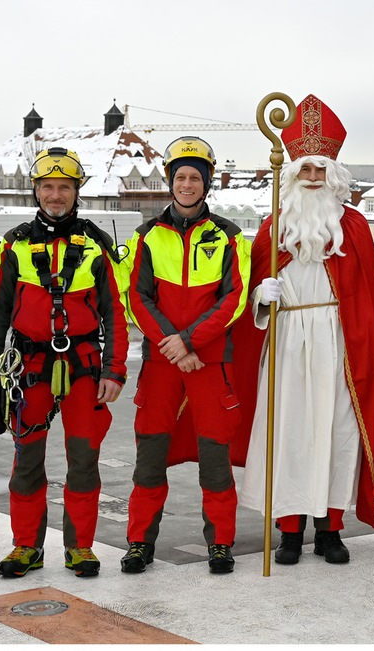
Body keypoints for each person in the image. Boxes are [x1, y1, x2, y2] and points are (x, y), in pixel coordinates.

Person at [233, 95, 374, 565]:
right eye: (306, 170)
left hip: (337, 341)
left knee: (336, 432)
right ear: (293, 174)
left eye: (321, 170)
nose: (314, 178)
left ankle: (331, 528)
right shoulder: (271, 228)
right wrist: (262, 296)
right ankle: (289, 530)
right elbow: (247, 294)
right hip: (285, 342)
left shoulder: (355, 228)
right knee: (290, 434)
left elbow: (368, 296)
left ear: (333, 175)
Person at [0, 147, 129, 579]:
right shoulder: (15, 244)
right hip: (29, 368)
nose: (56, 195)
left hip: (83, 367)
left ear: (76, 191)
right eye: (48, 187)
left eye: (64, 187)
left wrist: (114, 370)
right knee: (27, 459)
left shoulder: (96, 245)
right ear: (36, 192)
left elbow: (114, 312)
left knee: (83, 460)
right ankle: (26, 546)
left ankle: (80, 547)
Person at [121, 137, 251, 575]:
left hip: (210, 365)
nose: (188, 184)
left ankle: (220, 543)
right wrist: (174, 347)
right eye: (181, 177)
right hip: (162, 366)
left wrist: (190, 342)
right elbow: (136, 299)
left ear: (207, 183)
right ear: (170, 182)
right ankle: (139, 542)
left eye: (196, 177)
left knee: (215, 457)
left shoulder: (229, 237)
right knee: (150, 455)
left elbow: (233, 300)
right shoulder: (146, 238)